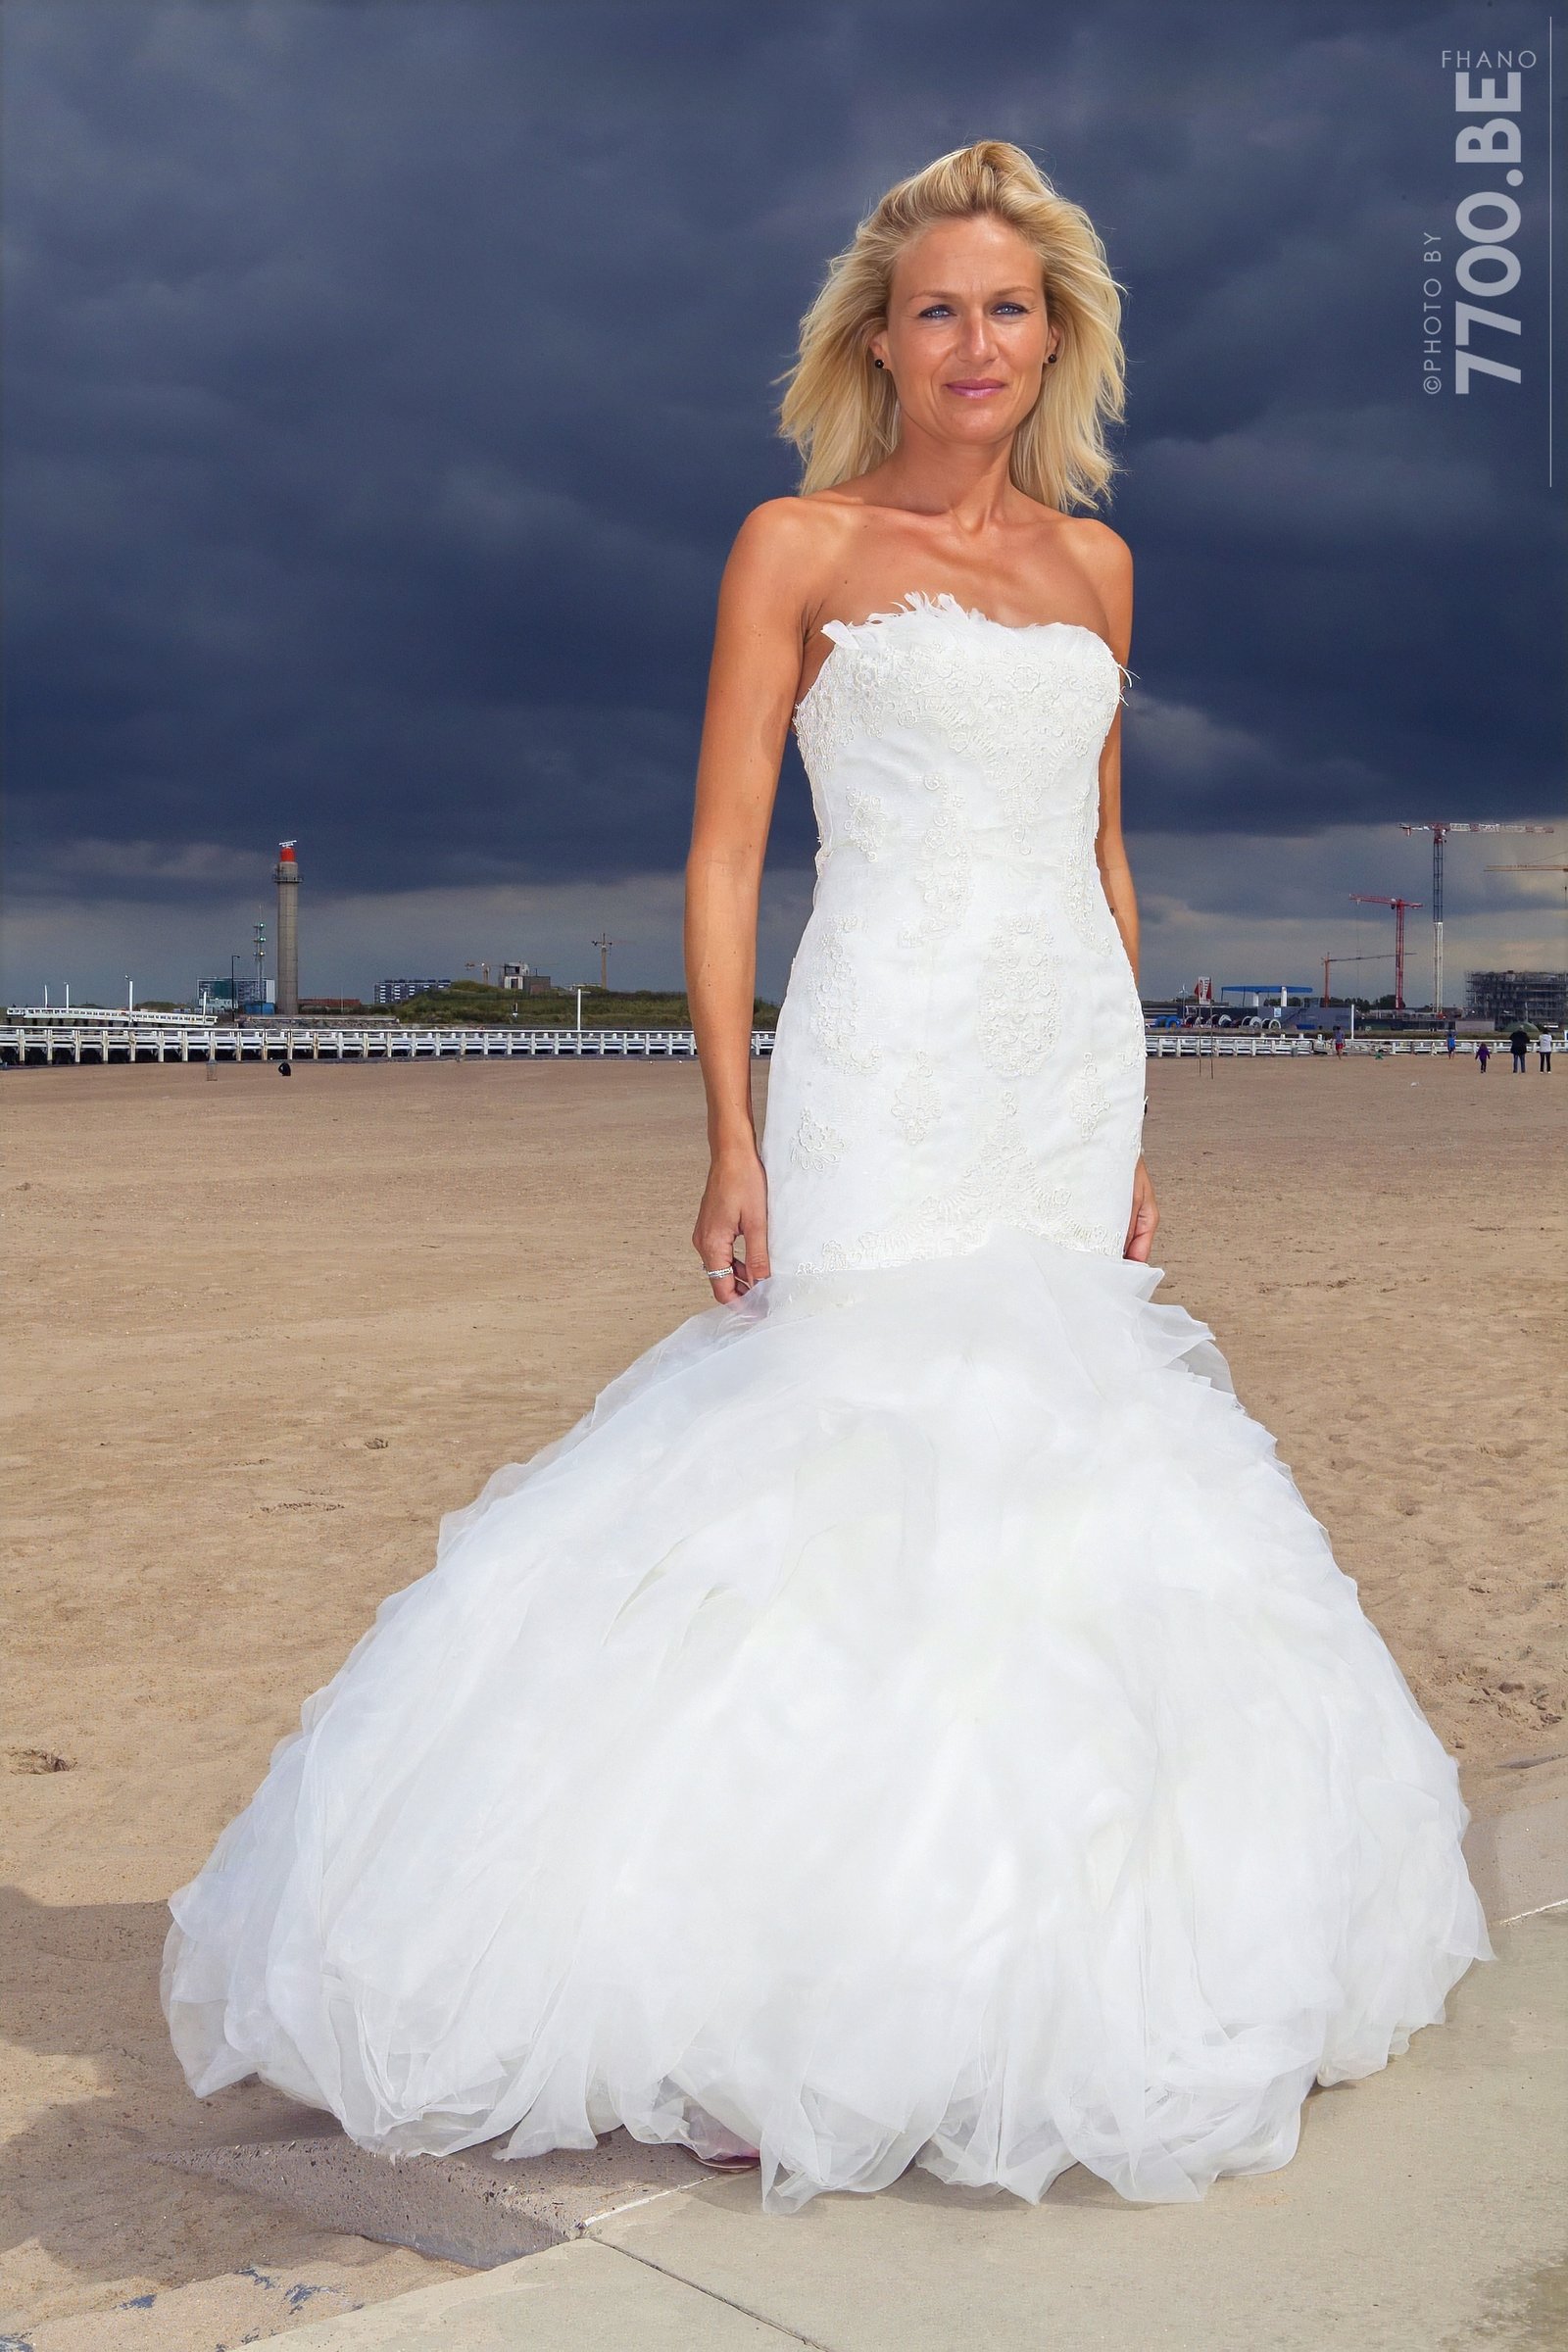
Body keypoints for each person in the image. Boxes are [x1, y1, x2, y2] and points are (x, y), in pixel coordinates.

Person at [162, 140, 1490, 2218]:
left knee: (1064, 1476)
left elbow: (1102, 851)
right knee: (846, 1459)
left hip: (1055, 1061)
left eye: (1013, 308)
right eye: (941, 307)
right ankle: (779, 1995)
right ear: (877, 338)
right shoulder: (791, 544)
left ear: (1057, 337)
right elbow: (717, 855)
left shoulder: (1099, 568)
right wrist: (724, 1124)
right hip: (873, 1051)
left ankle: (1017, 1968)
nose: (978, 342)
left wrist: (1126, 1113)